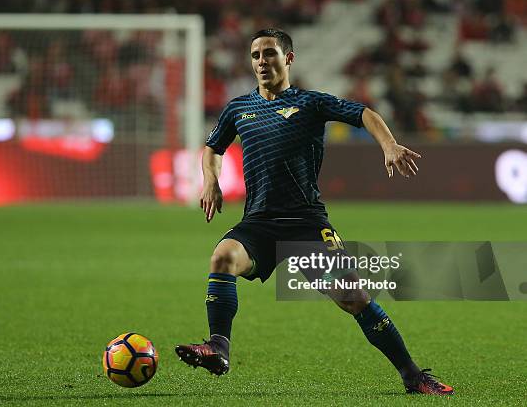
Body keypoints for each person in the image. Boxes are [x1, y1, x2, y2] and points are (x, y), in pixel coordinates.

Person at [175, 28, 454, 396]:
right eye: (256, 55)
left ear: (288, 58)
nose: (262, 61)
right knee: (223, 257)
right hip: (258, 222)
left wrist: (388, 144)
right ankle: (219, 348)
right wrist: (210, 180)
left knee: (353, 298)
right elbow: (213, 148)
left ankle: (413, 376)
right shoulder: (238, 109)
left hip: (307, 223)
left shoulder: (310, 103)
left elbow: (365, 113)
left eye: (270, 53)